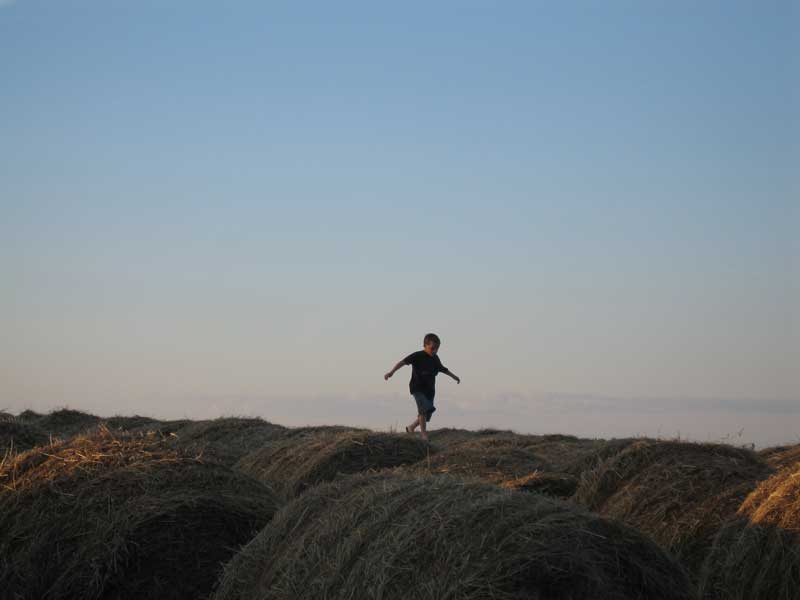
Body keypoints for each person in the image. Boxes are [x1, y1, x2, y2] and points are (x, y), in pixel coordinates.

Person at [384, 333, 460, 441]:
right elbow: (402, 362)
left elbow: (443, 369)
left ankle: (411, 428)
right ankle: (424, 435)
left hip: (430, 390)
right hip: (417, 388)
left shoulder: (435, 358)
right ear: (425, 345)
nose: (435, 351)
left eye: (437, 349)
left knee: (427, 413)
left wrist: (454, 376)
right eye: (432, 348)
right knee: (423, 410)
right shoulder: (417, 355)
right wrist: (391, 372)